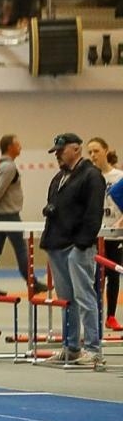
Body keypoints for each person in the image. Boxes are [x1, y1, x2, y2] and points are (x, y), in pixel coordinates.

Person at [39, 133, 105, 369]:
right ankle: (71, 347)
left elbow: (93, 213)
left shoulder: (91, 176)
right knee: (66, 301)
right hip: (57, 245)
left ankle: (93, 349)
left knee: (85, 297)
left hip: (78, 247)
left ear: (76, 149)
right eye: (56, 151)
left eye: (61, 150)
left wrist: (82, 244)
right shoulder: (59, 178)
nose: (57, 154)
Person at [0, 134, 38, 296]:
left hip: (0, 214)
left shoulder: (0, 165)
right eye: (18, 144)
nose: (20, 147)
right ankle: (31, 281)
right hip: (8, 215)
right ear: (9, 147)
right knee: (21, 249)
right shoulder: (8, 167)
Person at [85, 138, 122, 332]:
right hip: (94, 234)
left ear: (105, 151)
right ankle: (94, 316)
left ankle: (111, 316)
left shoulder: (118, 176)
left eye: (96, 151)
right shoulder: (88, 176)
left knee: (113, 275)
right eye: (89, 152)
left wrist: (120, 222)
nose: (93, 155)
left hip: (114, 233)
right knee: (93, 276)